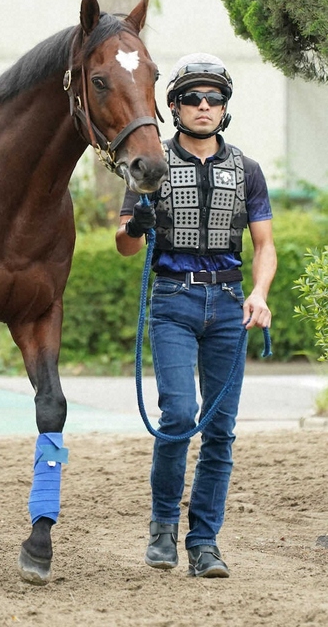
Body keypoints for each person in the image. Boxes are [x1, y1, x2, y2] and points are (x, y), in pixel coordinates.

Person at [115, 53, 277, 578]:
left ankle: (203, 541)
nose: (203, 106)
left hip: (229, 306)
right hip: (173, 303)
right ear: (174, 106)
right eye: (192, 98)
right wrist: (137, 224)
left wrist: (260, 292)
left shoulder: (247, 170)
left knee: (221, 431)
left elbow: (265, 245)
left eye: (213, 98)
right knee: (179, 418)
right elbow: (121, 245)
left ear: (225, 108)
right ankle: (162, 526)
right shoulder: (151, 163)